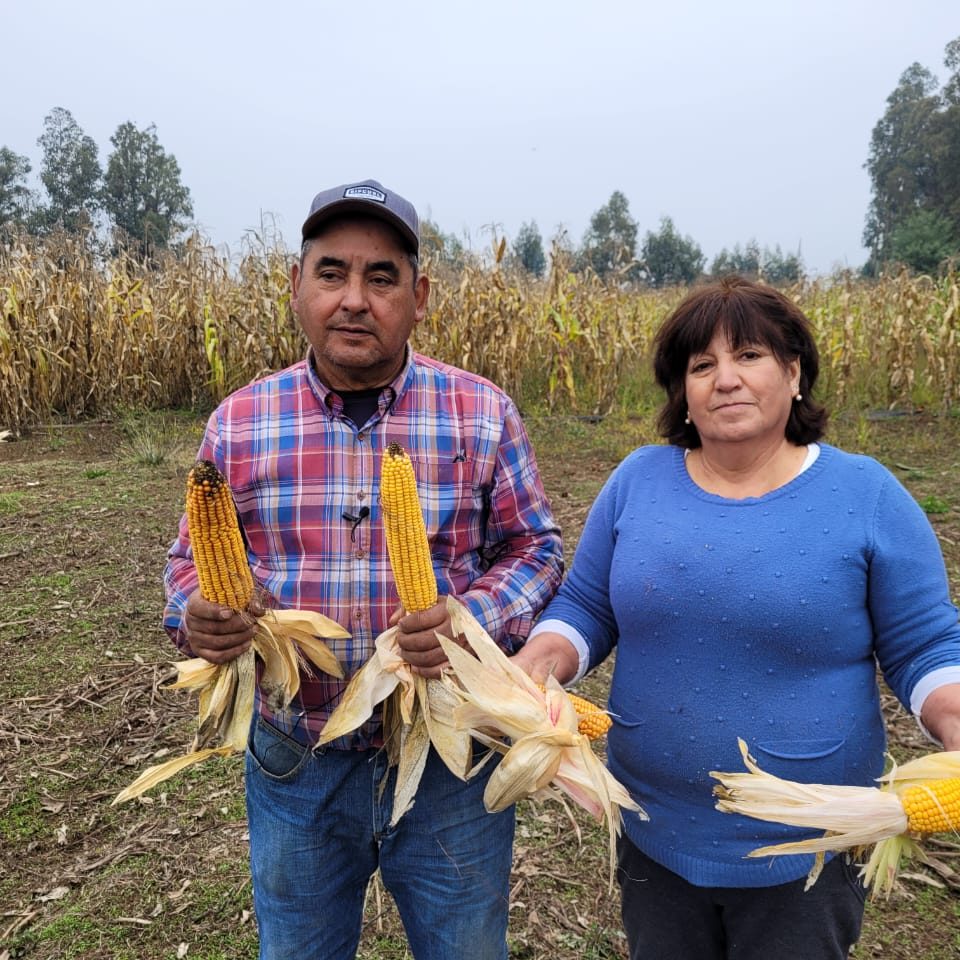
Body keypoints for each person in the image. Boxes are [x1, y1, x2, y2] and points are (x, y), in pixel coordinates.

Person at [163, 178, 564, 960]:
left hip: (451, 763)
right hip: (295, 758)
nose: (354, 299)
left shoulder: (481, 412)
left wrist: (468, 620)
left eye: (381, 278)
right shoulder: (241, 422)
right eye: (331, 273)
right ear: (295, 287)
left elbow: (536, 548)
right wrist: (197, 612)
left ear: (420, 297)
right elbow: (190, 560)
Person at [512, 276, 960, 960]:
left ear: (794, 371)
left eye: (748, 355)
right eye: (701, 366)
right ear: (682, 393)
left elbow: (923, 644)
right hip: (652, 826)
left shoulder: (866, 495)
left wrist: (952, 716)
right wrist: (541, 660)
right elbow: (587, 605)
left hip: (806, 847)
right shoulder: (637, 480)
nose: (725, 380)